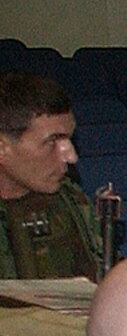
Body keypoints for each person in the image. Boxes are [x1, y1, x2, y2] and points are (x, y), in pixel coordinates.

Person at [0, 71, 97, 280]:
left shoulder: (69, 201)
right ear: (2, 148)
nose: (71, 156)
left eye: (69, 139)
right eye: (53, 141)